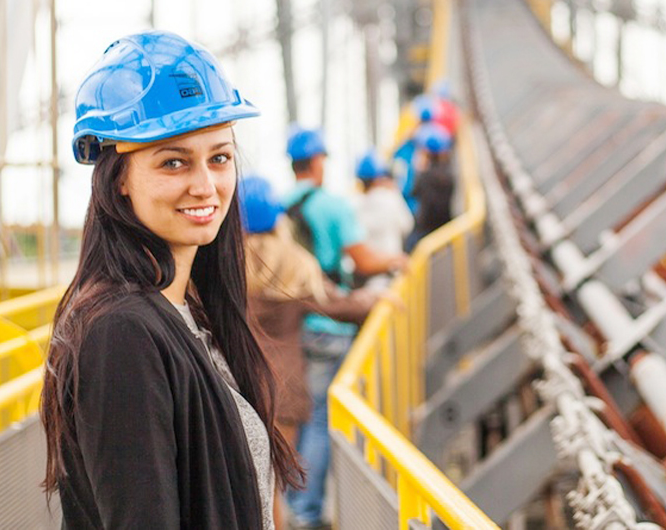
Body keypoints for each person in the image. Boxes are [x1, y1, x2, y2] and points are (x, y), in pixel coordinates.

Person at [40, 30, 302, 530]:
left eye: (219, 157)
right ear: (118, 177)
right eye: (174, 162)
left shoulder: (188, 313)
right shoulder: (121, 334)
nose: (205, 185)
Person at [283, 126, 407, 529]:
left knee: (300, 418)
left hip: (291, 326)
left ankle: (293, 504)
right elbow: (363, 260)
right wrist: (394, 262)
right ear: (318, 161)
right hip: (330, 324)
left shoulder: (281, 207)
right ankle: (306, 511)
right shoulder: (332, 206)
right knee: (321, 420)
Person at [238, 175, 376, 530]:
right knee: (275, 490)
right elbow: (338, 306)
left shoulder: (224, 266)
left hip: (237, 386)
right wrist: (375, 299)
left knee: (248, 490)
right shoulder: (293, 262)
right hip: (284, 388)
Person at [354, 149, 414, 292]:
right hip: (391, 271)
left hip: (365, 278)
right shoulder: (391, 198)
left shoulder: (355, 204)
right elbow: (407, 225)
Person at [405, 122, 455, 250]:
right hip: (445, 227)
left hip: (426, 230)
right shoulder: (448, 174)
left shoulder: (425, 176)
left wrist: (419, 171)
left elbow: (413, 192)